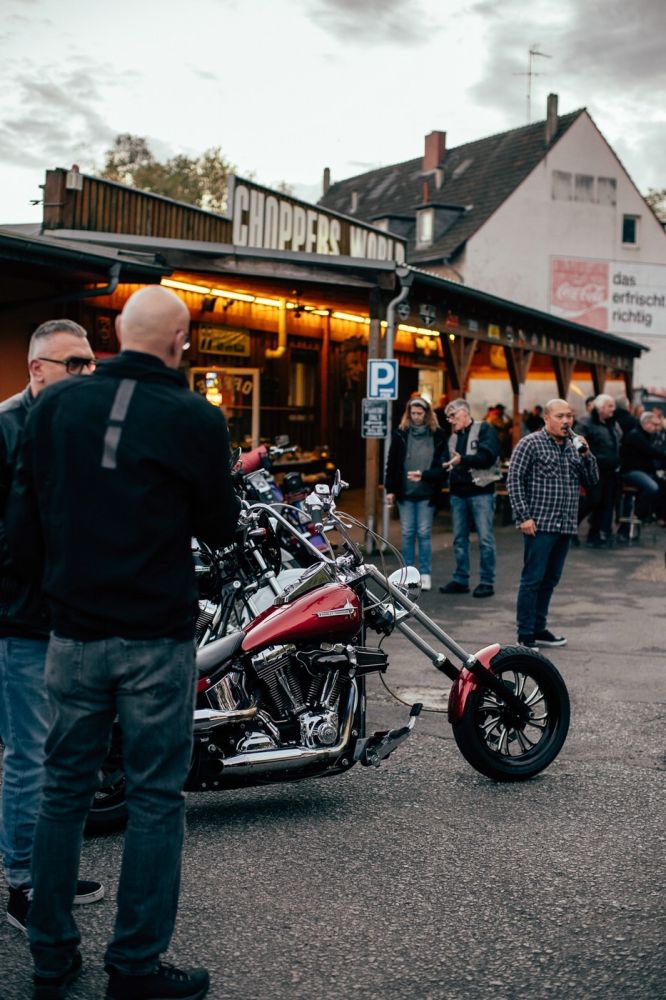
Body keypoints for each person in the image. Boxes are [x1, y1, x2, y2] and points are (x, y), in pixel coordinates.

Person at [7, 286, 241, 1000]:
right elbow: (221, 527)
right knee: (155, 799)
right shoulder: (195, 417)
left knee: (62, 792)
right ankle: (135, 967)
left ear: (115, 333)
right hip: (155, 637)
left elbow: (22, 525)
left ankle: (51, 958)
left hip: (72, 632)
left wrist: (52, 598)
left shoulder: (54, 408)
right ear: (180, 342)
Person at [0, 319, 103, 935]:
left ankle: (52, 869)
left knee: (68, 754)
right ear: (38, 369)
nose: (88, 372)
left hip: (74, 620)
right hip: (21, 620)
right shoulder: (5, 427)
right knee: (30, 754)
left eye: (91, 362)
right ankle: (22, 882)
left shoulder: (81, 425)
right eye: (76, 364)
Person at [507, 398, 598, 649]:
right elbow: (514, 480)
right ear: (546, 418)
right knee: (532, 579)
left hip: (565, 524)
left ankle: (539, 628)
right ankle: (525, 633)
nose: (566, 421)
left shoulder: (573, 446)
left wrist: (587, 454)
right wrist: (523, 516)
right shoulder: (530, 443)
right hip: (540, 524)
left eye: (569, 416)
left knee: (550, 579)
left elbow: (592, 480)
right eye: (560, 416)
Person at [438, 398, 500, 599]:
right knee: (459, 539)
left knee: (485, 539)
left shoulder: (485, 429)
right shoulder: (452, 438)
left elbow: (488, 457)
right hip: (458, 494)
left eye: (453, 416)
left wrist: (462, 460)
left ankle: (487, 582)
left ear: (465, 413)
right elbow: (446, 460)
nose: (450, 420)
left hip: (481, 492)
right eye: (448, 417)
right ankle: (461, 579)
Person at [384, 396, 447, 591]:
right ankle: (407, 574)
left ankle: (425, 573)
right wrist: (390, 489)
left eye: (420, 413)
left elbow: (442, 467)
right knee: (407, 533)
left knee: (424, 533)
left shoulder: (437, 434)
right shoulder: (401, 433)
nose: (416, 417)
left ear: (427, 414)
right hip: (405, 492)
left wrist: (424, 475)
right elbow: (391, 463)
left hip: (427, 493)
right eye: (413, 413)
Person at [576, 393, 621, 547]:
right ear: (600, 408)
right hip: (593, 469)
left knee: (604, 503)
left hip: (609, 470)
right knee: (593, 500)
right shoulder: (586, 423)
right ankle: (569, 528)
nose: (613, 409)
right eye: (610, 406)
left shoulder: (611, 423)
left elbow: (616, 441)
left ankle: (594, 536)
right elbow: (579, 445)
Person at [619, 410, 666, 532]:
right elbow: (650, 451)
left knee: (662, 484)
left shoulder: (645, 435)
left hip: (641, 471)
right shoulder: (636, 435)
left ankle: (656, 515)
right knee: (652, 487)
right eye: (654, 425)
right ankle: (640, 513)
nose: (656, 428)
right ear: (646, 423)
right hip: (631, 471)